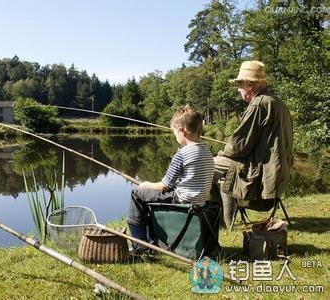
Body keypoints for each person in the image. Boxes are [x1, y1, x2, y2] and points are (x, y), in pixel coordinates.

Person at [214, 60, 293, 227]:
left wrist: (222, 152)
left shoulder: (258, 104)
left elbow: (239, 146)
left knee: (205, 166)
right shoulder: (277, 102)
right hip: (275, 169)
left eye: (240, 84)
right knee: (221, 171)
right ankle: (224, 220)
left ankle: (217, 221)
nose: (238, 88)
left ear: (249, 84)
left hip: (262, 169)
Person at [126, 105, 215, 252]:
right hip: (200, 200)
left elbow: (163, 186)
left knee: (137, 195)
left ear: (182, 131)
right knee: (148, 197)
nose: (175, 137)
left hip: (181, 200)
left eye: (175, 133)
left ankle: (139, 247)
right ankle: (152, 241)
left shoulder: (182, 154)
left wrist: (145, 184)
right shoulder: (207, 152)